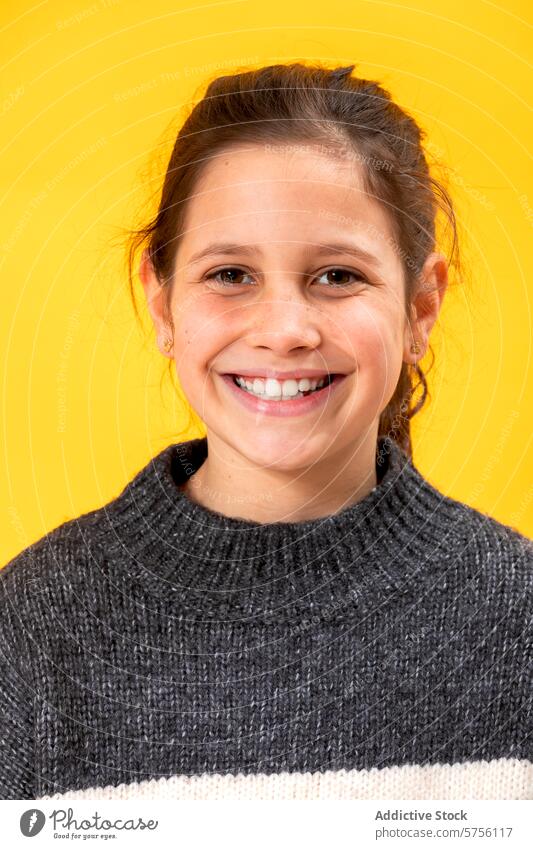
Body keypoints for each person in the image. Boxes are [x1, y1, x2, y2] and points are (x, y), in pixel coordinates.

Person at [1, 62, 531, 801]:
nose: (284, 331)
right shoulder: (30, 629)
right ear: (163, 306)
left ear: (419, 308)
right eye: (230, 275)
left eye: (337, 276)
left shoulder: (518, 618)